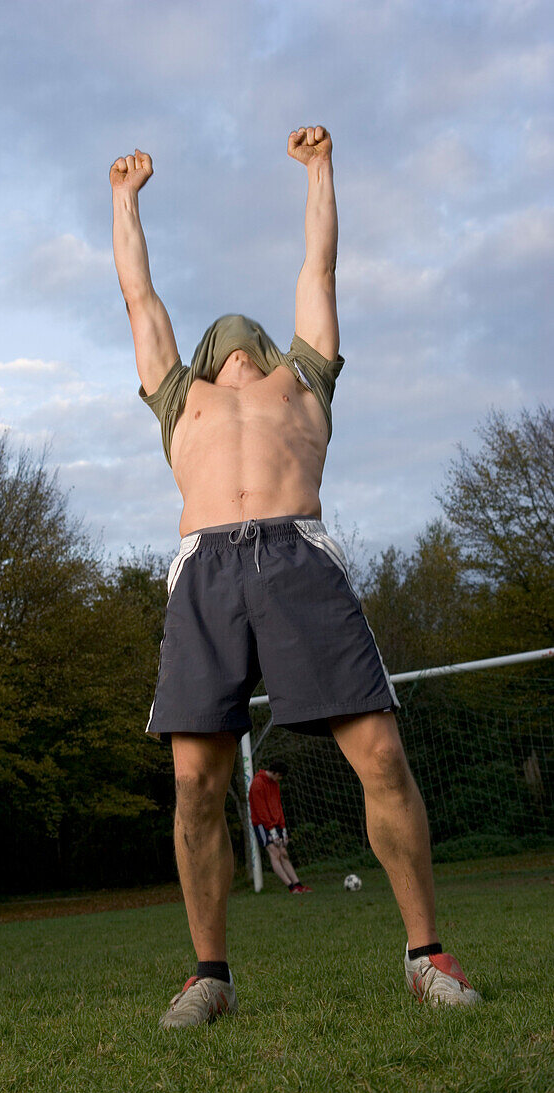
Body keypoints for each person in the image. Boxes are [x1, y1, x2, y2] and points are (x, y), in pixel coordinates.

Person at [109, 124, 481, 1028]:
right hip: (204, 574)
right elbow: (138, 297)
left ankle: (425, 955)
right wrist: (122, 200)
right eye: (223, 339)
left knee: (381, 754)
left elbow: (320, 270)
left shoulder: (301, 382)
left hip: (295, 557)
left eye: (250, 337)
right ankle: (210, 976)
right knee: (196, 782)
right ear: (205, 355)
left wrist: (320, 169)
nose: (237, 339)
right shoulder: (178, 398)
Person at [249, 760, 310, 894]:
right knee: (274, 853)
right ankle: (291, 887)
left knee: (284, 853)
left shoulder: (275, 784)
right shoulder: (257, 784)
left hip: (275, 824)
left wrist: (282, 829)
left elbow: (278, 806)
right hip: (262, 824)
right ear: (275, 772)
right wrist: (272, 831)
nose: (280, 779)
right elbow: (261, 810)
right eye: (280, 776)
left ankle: (298, 884)